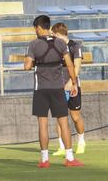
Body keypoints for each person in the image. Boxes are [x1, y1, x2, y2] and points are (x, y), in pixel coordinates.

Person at [24, 15, 83, 168]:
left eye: (35, 28)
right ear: (48, 26)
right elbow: (70, 66)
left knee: (42, 124)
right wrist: (74, 83)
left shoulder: (33, 44)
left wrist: (36, 61)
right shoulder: (61, 43)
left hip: (41, 89)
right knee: (64, 123)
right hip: (58, 88)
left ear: (38, 27)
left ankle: (44, 160)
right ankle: (70, 158)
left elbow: (26, 66)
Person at [51, 22, 85, 156]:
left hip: (73, 85)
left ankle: (81, 141)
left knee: (75, 116)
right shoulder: (54, 47)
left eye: (53, 34)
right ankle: (61, 146)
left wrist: (71, 81)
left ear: (58, 34)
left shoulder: (74, 46)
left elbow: (77, 67)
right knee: (60, 117)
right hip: (58, 86)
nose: (52, 37)